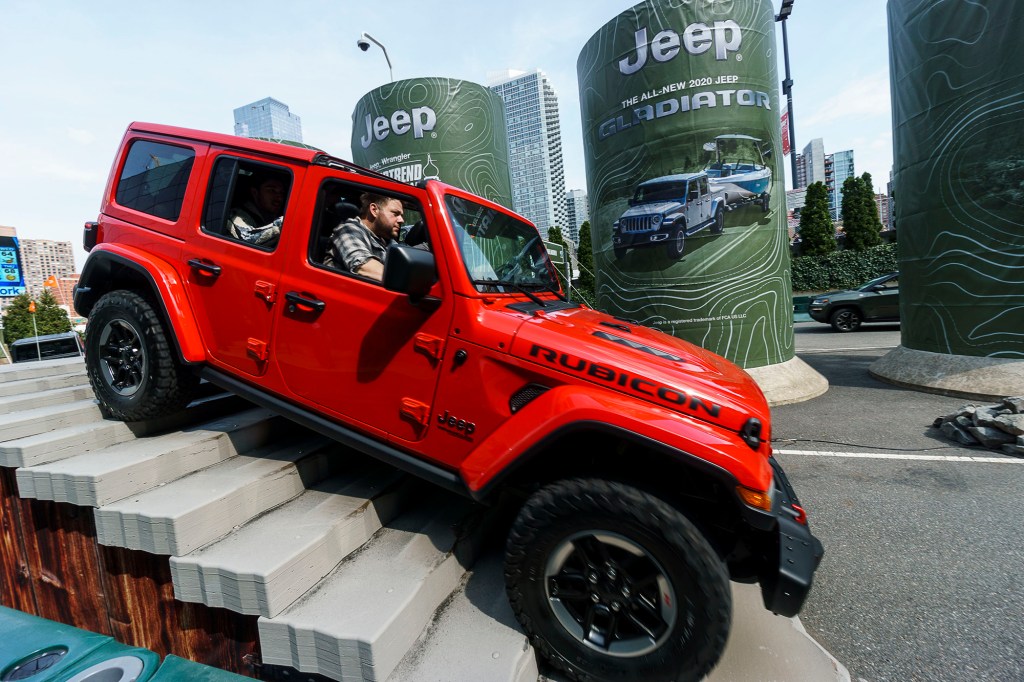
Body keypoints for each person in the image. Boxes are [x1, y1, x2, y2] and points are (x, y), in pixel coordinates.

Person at [324, 192, 404, 281]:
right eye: (395, 214)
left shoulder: (386, 240)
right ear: (374, 210)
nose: (401, 220)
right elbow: (363, 266)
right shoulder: (348, 230)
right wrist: (405, 281)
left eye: (401, 215)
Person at [227, 176, 287, 247]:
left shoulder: (270, 215)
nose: (279, 197)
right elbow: (247, 238)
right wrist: (285, 221)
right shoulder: (236, 215)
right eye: (272, 190)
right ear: (255, 192)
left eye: (281, 193)